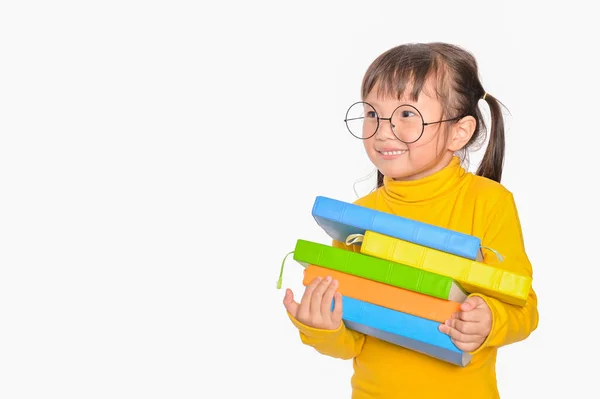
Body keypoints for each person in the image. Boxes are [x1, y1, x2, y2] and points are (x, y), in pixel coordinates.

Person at [282, 42, 538, 398]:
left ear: (459, 132)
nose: (383, 130)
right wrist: (320, 327)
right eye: (372, 113)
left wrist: (492, 320)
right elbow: (352, 342)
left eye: (406, 114)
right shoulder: (357, 219)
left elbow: (524, 308)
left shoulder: (489, 201)